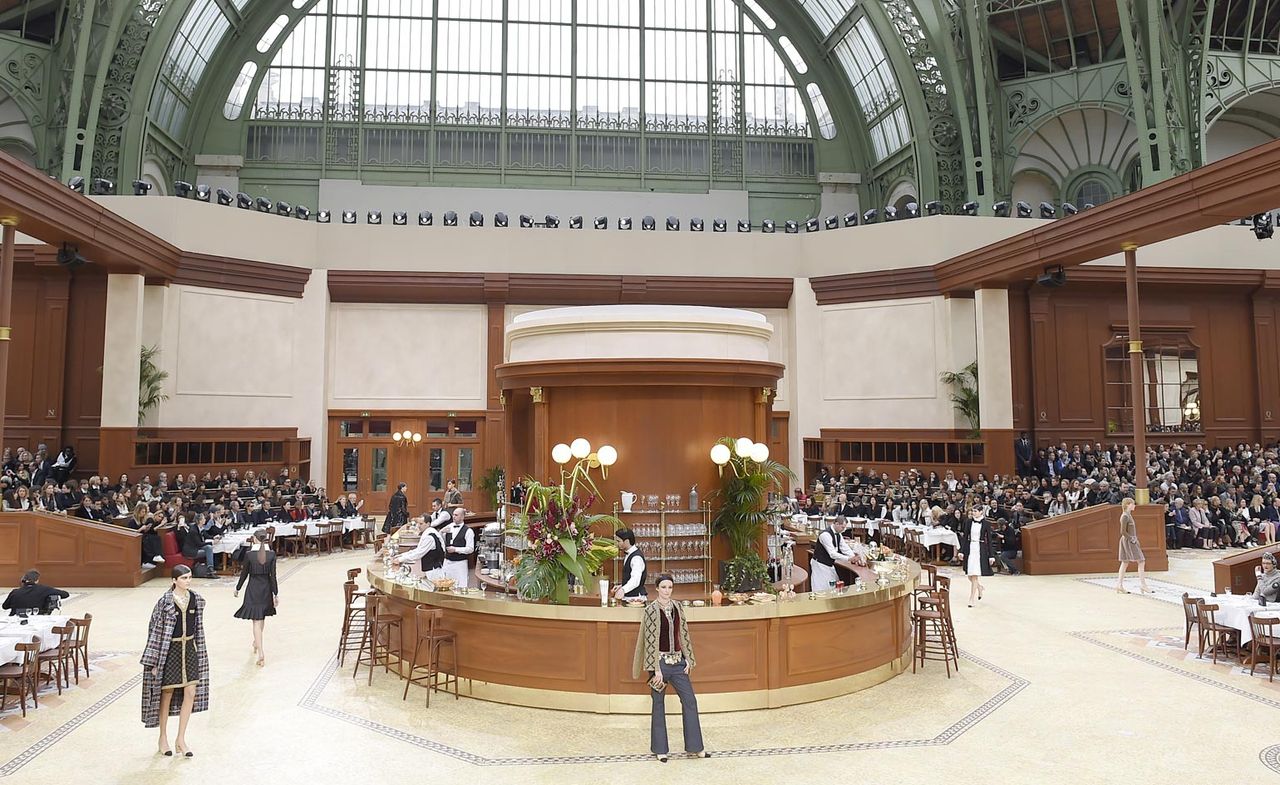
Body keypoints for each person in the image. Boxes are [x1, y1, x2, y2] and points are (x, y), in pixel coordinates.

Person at [631, 573, 709, 763]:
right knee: (658, 704)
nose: (667, 591)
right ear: (657, 588)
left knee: (690, 701)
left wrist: (688, 658)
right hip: (659, 665)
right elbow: (650, 642)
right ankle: (660, 749)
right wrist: (655, 669)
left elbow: (684, 634)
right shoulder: (650, 610)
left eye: (670, 587)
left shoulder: (678, 607)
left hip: (678, 664)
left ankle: (695, 747)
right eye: (664, 587)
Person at [140, 565, 209, 758]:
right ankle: (163, 737)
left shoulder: (196, 599)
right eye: (184, 578)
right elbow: (155, 632)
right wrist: (153, 662)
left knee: (191, 692)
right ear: (174, 580)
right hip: (169, 651)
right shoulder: (165, 602)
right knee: (167, 693)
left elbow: (198, 628)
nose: (188, 581)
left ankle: (181, 739)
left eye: (189, 577)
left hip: (189, 650)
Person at [233, 530, 279, 667]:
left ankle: (260, 651)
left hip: (253, 588)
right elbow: (273, 576)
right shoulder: (271, 554)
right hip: (266, 588)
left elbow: (244, 573)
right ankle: (256, 643)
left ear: (255, 539)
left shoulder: (249, 555)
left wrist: (238, 588)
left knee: (256, 621)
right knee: (261, 617)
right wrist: (276, 593)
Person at [810, 517, 864, 592]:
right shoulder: (825, 535)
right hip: (820, 564)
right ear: (836, 524)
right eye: (842, 527)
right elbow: (832, 554)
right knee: (821, 588)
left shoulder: (838, 534)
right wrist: (849, 559)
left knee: (833, 586)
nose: (844, 530)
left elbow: (844, 547)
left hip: (829, 565)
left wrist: (854, 557)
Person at [956, 509, 994, 608]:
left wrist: (991, 555)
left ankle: (971, 599)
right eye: (973, 511)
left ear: (981, 512)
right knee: (970, 575)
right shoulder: (968, 522)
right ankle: (980, 587)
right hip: (970, 548)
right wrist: (961, 551)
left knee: (974, 575)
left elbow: (989, 540)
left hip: (980, 549)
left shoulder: (986, 523)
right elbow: (965, 538)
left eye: (976, 511)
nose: (973, 513)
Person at [393, 516, 446, 581]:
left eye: (421, 524)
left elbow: (419, 553)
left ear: (428, 524)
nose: (418, 526)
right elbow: (418, 549)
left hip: (434, 571)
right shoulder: (428, 533)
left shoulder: (430, 537)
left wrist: (400, 559)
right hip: (430, 569)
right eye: (418, 523)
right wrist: (402, 555)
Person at [1115, 498, 1150, 594]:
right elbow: (1122, 531)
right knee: (1141, 560)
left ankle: (1119, 585)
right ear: (1127, 505)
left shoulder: (1129, 515)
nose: (1134, 505)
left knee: (1125, 562)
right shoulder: (1125, 516)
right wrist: (1132, 539)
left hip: (1130, 540)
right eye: (1132, 504)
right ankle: (1143, 585)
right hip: (1129, 541)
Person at [2, 569, 69, 615]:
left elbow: (5, 606)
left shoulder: (15, 592)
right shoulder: (44, 589)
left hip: (15, 621)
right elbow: (65, 594)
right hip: (36, 619)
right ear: (37, 580)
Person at [440, 507, 475, 588]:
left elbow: (470, 549)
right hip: (447, 562)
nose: (453, 517)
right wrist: (441, 532)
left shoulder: (468, 531)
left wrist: (456, 549)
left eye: (456, 515)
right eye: (453, 515)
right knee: (446, 585)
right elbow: (441, 541)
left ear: (462, 517)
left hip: (460, 564)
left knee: (461, 586)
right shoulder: (449, 526)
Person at [613, 528, 647, 600]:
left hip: (636, 598)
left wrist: (623, 590)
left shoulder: (636, 558)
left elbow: (636, 580)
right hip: (631, 597)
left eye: (618, 541)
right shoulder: (630, 554)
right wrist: (622, 586)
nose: (617, 543)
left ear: (627, 541)